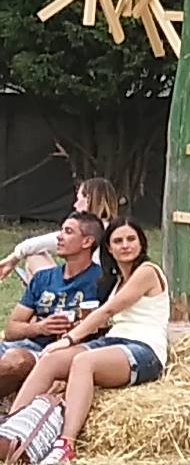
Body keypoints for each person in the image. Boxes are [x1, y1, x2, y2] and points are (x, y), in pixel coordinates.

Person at [2, 218, 169, 463]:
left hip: (143, 348)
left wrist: (69, 339)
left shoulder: (147, 272)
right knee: (50, 359)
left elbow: (108, 312)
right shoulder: (115, 282)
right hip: (114, 341)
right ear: (109, 249)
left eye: (131, 239)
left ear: (141, 244)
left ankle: (66, 445)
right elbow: (104, 321)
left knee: (83, 361)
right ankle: (12, 426)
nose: (125, 245)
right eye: (118, 241)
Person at [0, 213, 104, 398]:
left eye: (68, 231)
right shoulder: (44, 278)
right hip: (18, 345)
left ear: (87, 241)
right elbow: (10, 330)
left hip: (47, 355)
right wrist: (40, 327)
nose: (59, 236)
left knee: (15, 362)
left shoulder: (101, 281)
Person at [0, 179, 118, 283]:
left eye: (78, 199)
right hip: (104, 288)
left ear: (88, 200)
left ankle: (39, 298)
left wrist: (12, 260)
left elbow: (31, 245)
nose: (75, 205)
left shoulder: (82, 229)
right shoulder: (116, 229)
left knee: (34, 257)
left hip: (83, 288)